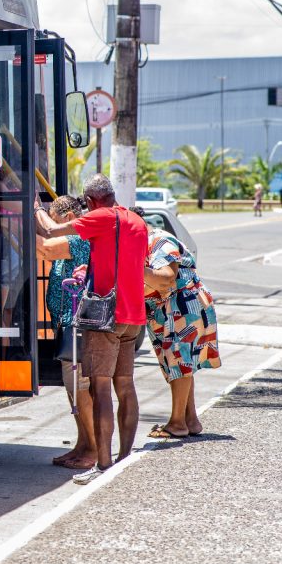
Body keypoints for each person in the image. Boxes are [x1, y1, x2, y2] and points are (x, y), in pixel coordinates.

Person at [35, 174, 148, 485]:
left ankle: (102, 463)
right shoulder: (136, 221)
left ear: (93, 201)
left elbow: (50, 230)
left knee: (99, 390)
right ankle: (125, 458)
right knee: (125, 387)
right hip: (133, 316)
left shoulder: (100, 217)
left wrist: (33, 207)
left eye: (86, 203)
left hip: (105, 316)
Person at [141, 218, 222, 438]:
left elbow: (167, 278)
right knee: (181, 363)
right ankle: (190, 420)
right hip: (177, 307)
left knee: (179, 362)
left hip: (181, 306)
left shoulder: (158, 240)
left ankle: (177, 423)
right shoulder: (150, 241)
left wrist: (132, 266)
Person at [35, 195, 96, 470]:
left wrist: (32, 213)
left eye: (58, 222)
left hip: (78, 325)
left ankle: (92, 448)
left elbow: (46, 247)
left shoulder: (79, 237)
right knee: (74, 390)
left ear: (69, 217)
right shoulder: (72, 236)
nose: (56, 228)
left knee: (81, 389)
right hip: (66, 323)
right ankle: (82, 445)